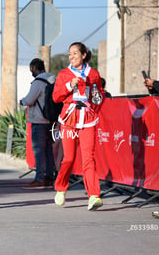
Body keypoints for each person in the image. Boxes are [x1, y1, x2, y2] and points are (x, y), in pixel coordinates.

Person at [52, 42, 105, 211]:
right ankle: (61, 188)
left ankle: (94, 195)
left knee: (88, 157)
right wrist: (69, 85)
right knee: (69, 158)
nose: (71, 56)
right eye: (69, 54)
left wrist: (96, 101)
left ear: (83, 55)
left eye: (75, 53)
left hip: (88, 119)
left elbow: (99, 96)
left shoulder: (93, 74)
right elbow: (56, 97)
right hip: (69, 120)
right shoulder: (64, 74)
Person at [20, 58, 56, 189]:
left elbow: (29, 100)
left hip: (39, 120)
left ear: (35, 68)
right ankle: (49, 178)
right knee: (48, 150)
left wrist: (22, 101)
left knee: (39, 151)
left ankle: (39, 178)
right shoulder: (53, 79)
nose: (31, 73)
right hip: (51, 120)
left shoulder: (38, 82)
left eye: (31, 70)